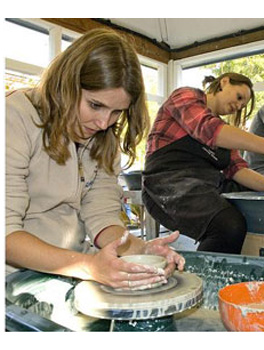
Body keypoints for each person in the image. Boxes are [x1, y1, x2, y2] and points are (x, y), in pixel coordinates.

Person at [6, 28, 185, 289]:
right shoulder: (13, 118)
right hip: (11, 277)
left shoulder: (103, 139)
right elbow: (6, 236)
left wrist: (142, 251)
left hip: (72, 272)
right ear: (65, 83)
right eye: (95, 105)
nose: (103, 123)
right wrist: (89, 266)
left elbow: (102, 218)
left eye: (116, 112)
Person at [142, 73, 264, 254]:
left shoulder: (227, 133)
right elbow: (208, 129)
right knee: (228, 225)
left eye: (242, 106)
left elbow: (238, 170)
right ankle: (203, 279)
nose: (238, 106)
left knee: (255, 203)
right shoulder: (185, 96)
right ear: (224, 82)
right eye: (239, 97)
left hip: (206, 183)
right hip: (166, 183)